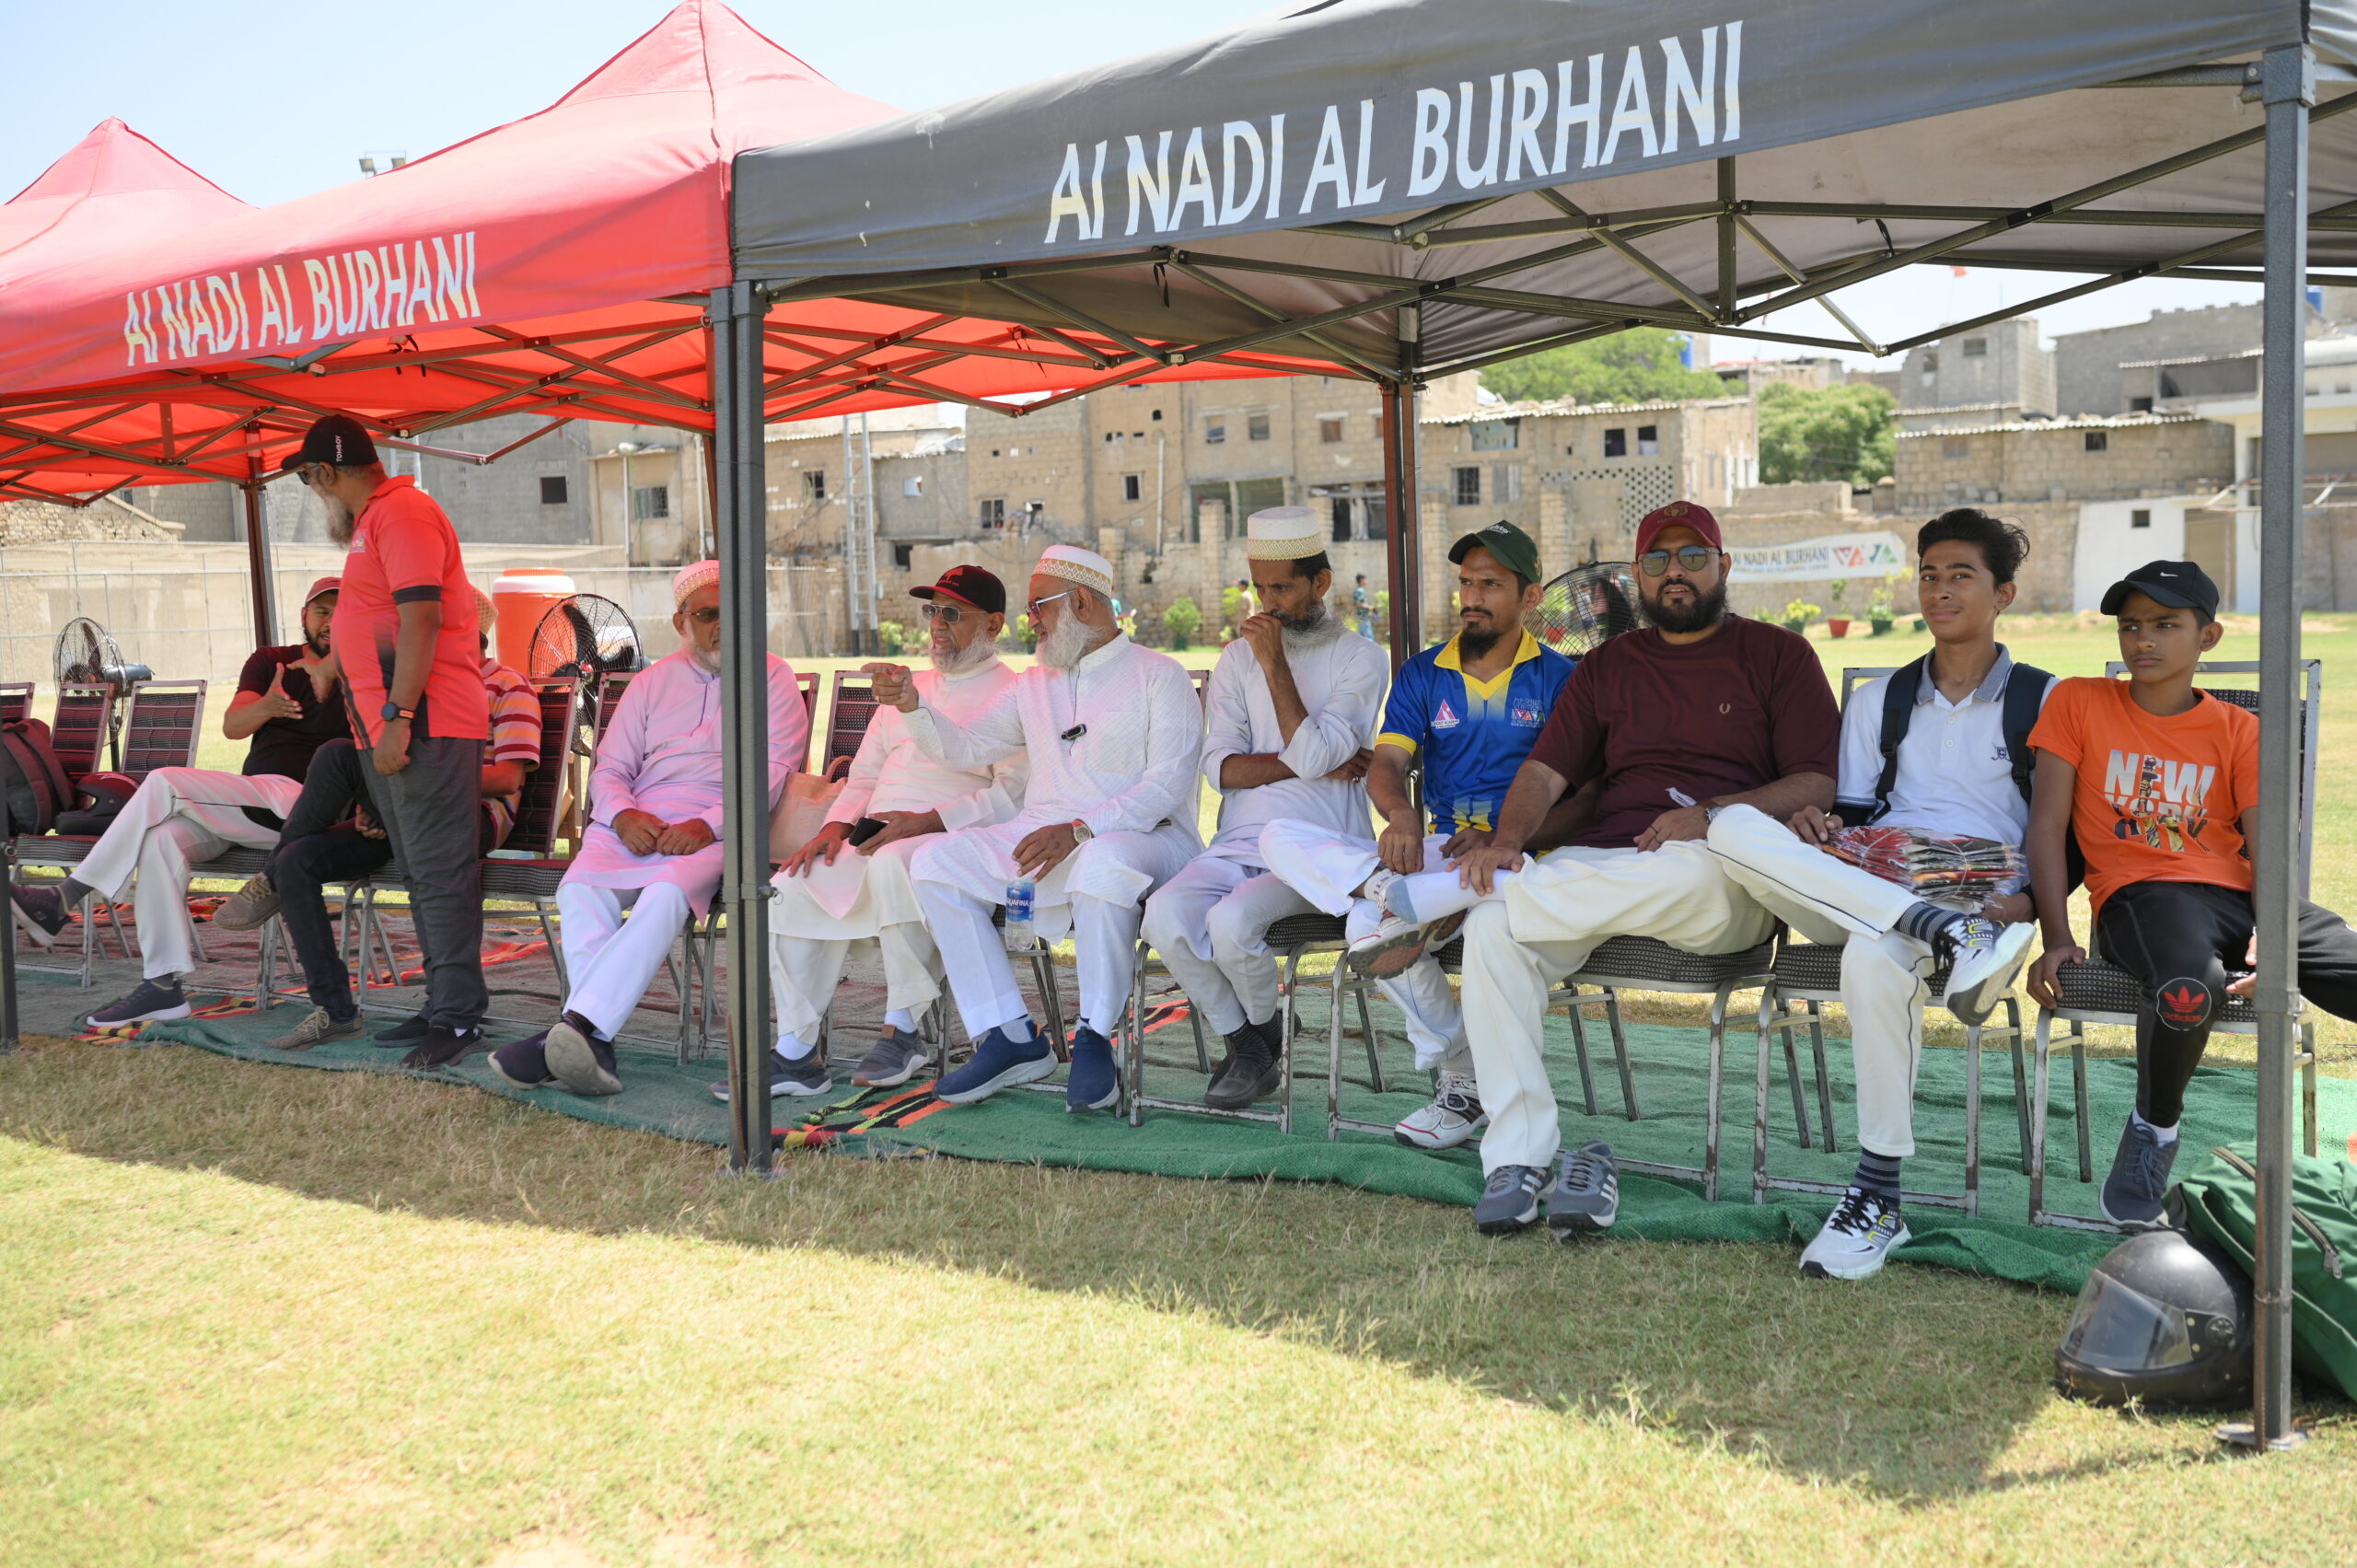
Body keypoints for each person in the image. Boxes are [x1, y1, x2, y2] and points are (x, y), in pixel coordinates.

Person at [1378, 501, 1842, 1237]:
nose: (1674, 572)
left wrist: (1711, 813)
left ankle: (1491, 893)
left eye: (1692, 557)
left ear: (1724, 566)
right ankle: (1518, 1156)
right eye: (1657, 560)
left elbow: (1816, 781)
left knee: (1647, 879)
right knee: (1495, 929)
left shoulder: (1779, 655)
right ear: (1637, 576)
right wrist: (1506, 840)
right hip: (1603, 862)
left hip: (1718, 869)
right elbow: (1544, 774)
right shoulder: (1607, 666)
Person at [1699, 509, 2049, 1277]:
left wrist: (2029, 911)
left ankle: (1878, 1195)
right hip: (1875, 886)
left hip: (1980, 902)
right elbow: (1856, 822)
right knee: (1728, 825)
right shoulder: (1878, 700)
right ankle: (1939, 931)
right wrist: (1819, 828)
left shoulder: (2042, 699)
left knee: (1869, 956)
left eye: (1961, 575)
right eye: (1929, 574)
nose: (1939, 589)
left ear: (2004, 593)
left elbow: (2065, 834)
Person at [2025, 560, 2357, 1226]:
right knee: (2188, 986)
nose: (2143, 639)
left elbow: (2268, 845)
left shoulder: (2241, 729)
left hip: (2242, 898)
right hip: (2142, 897)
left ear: (2208, 636)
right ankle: (2153, 1131)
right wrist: (2057, 936)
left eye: (2165, 624)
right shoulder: (2078, 702)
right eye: (2130, 626)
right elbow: (2046, 825)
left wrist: (2272, 930)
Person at [1259, 519, 1577, 1151]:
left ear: (1530, 596)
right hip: (1443, 850)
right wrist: (1401, 816)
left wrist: (1503, 836)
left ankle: (1458, 1078)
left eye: (1490, 584)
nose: (1472, 597)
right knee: (1278, 836)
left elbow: (1587, 794)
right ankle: (1385, 891)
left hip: (1526, 857)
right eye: (1466, 583)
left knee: (1365, 928)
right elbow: (1387, 764)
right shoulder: (1425, 671)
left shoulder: (1561, 678)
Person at [872, 544, 1202, 1111]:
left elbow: (1165, 787)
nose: (1030, 622)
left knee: (1101, 861)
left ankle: (1095, 1034)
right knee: (935, 862)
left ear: (1081, 602)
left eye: (1038, 607)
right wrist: (913, 707)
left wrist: (1079, 830)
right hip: (1046, 835)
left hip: (1150, 839)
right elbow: (968, 747)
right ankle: (1009, 1034)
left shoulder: (1159, 675)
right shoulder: (1034, 684)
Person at [487, 561, 807, 1097]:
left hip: (720, 825)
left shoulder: (772, 677)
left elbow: (773, 772)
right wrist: (622, 814)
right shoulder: (651, 682)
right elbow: (610, 767)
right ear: (682, 622)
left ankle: (572, 1034)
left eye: (732, 613)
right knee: (580, 890)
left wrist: (708, 825)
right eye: (707, 614)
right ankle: (590, 1039)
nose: (721, 625)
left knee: (664, 895)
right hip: (636, 819)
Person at [215, 588, 544, 1060]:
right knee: (297, 859)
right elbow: (389, 759)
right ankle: (335, 1011)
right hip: (406, 811)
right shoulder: (418, 686)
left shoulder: (507, 686)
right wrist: (379, 797)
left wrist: (401, 787)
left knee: (338, 757)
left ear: (465, 634)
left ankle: (450, 1015)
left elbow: (507, 777)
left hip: (468, 816)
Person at [8, 577, 348, 1027]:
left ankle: (64, 897)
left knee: (166, 781)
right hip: (247, 802)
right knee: (161, 841)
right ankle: (163, 985)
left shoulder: (367, 668)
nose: (330, 621)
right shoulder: (271, 661)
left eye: (342, 611)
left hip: (307, 806)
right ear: (304, 616)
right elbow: (233, 727)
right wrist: (267, 706)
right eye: (321, 611)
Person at [1140, 507, 1387, 1109]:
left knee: (1231, 923)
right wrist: (1306, 761)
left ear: (1320, 583)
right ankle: (1254, 1038)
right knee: (1163, 915)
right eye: (1260, 588)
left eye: (1282, 588)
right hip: (1237, 840)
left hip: (1322, 850)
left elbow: (1316, 749)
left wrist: (1275, 664)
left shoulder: (1361, 657)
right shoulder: (1235, 658)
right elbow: (1220, 768)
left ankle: (1250, 1049)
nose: (1267, 605)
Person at [762, 565, 1025, 1097]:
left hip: (953, 841)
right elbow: (864, 775)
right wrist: (834, 828)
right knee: (789, 885)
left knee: (894, 864)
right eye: (932, 611)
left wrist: (925, 822)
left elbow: (1010, 795)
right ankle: (796, 1051)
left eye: (952, 613)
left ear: (994, 625)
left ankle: (901, 1031)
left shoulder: (1015, 693)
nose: (937, 624)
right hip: (875, 834)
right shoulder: (909, 687)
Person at [291, 413, 493, 1067]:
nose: (314, 494)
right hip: (398, 726)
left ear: (326, 472)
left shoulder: (402, 511)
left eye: (308, 480)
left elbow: (422, 617)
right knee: (421, 874)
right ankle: (443, 1004)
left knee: (439, 875)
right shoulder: (379, 518)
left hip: (427, 724)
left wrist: (400, 714)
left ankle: (458, 1019)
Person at [1353, 573, 1376, 639]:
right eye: (1365, 579)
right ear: (1362, 580)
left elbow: (1354, 604)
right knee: (1367, 636)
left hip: (1361, 616)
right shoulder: (1360, 591)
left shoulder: (1358, 590)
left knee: (1363, 636)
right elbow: (1358, 604)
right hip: (1363, 616)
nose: (1367, 581)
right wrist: (1369, 607)